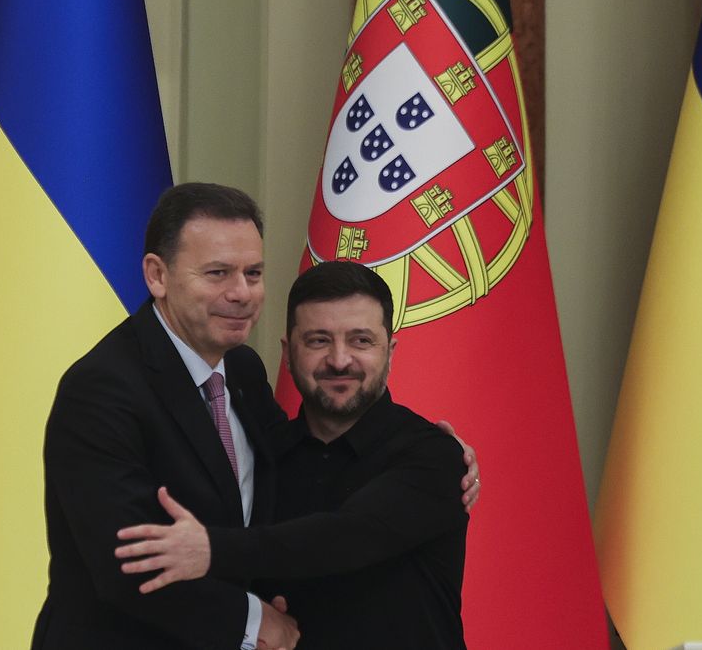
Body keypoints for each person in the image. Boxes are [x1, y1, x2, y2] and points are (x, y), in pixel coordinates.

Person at [33, 183, 477, 649]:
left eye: (253, 272)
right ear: (157, 275)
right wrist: (252, 624)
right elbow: (128, 563)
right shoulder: (102, 388)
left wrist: (443, 457)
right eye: (218, 273)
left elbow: (306, 490)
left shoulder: (241, 369)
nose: (241, 293)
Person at [115, 261, 469, 649]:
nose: (339, 359)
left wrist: (210, 550)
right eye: (318, 340)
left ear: (391, 350)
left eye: (361, 341)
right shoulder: (264, 456)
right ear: (287, 352)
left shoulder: (433, 455)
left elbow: (346, 538)